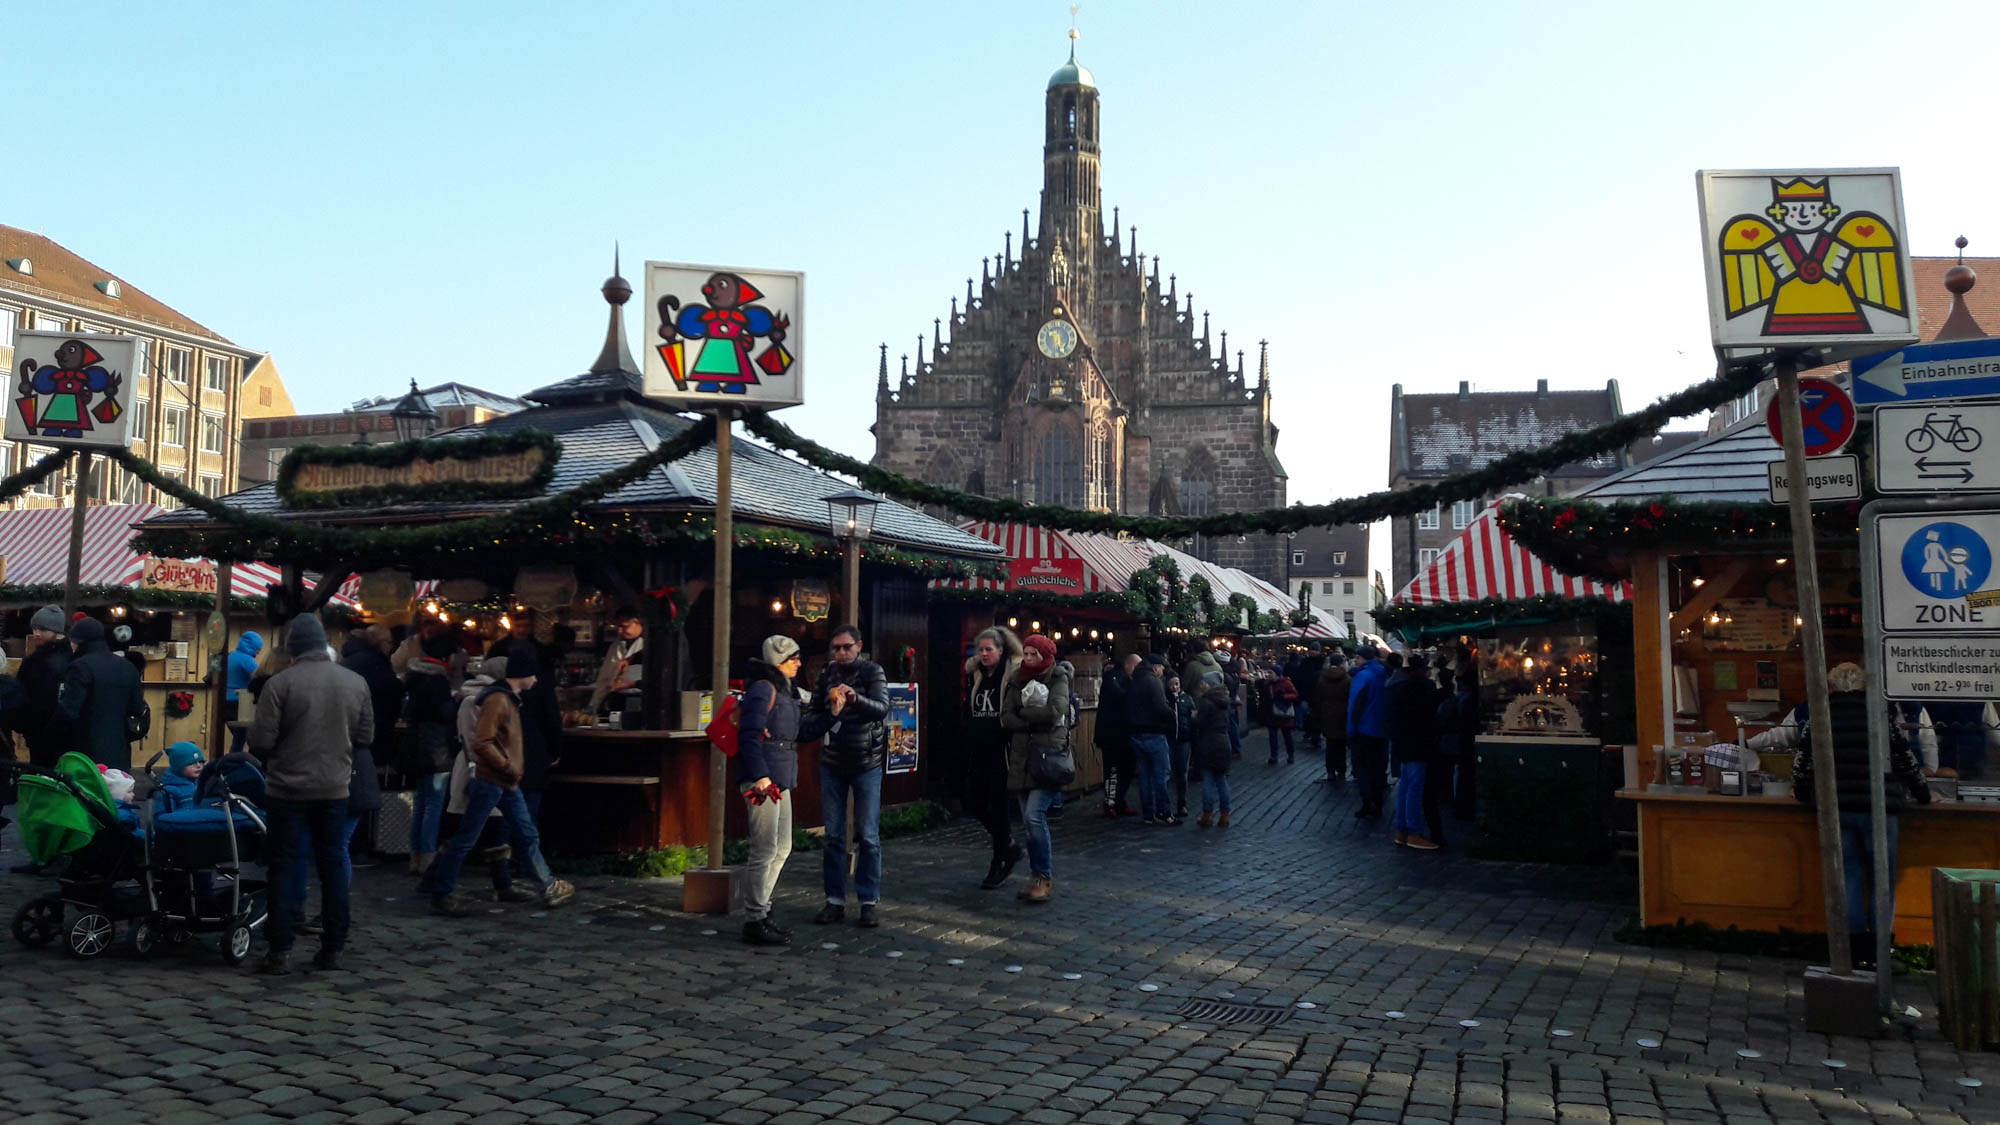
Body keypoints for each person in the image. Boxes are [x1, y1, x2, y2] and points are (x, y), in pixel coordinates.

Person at [249, 613, 373, 975]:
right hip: (334, 787)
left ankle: (280, 948)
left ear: (293, 648)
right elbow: (366, 737)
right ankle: (333, 946)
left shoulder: (280, 684)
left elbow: (261, 741)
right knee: (333, 864)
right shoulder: (355, 682)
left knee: (284, 865)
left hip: (287, 788)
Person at [1794, 661, 1933, 968]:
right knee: (1882, 880)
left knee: (1849, 877)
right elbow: (1906, 761)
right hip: (1880, 809)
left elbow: (1802, 765)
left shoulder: (1819, 717)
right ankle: (1881, 952)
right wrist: (1923, 795)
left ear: (1830, 687)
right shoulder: (1881, 718)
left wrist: (1804, 795)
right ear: (1867, 687)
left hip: (1837, 809)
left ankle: (1857, 952)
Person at [430, 642, 576, 916]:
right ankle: (441, 890)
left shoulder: (505, 698)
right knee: (468, 838)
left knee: (524, 832)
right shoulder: (498, 700)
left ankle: (548, 885)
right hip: (493, 779)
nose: (537, 679)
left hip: (503, 780)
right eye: (534, 673)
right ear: (525, 673)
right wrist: (508, 767)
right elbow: (483, 742)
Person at [799, 624, 891, 928]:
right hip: (832, 761)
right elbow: (813, 712)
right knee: (834, 836)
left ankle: (868, 901)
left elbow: (882, 708)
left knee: (868, 836)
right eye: (836, 648)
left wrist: (856, 700)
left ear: (859, 645)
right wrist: (830, 713)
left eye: (846, 647)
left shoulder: (872, 671)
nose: (841, 653)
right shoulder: (827, 673)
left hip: (866, 761)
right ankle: (834, 901)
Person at [738, 635, 804, 946]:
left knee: (782, 847)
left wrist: (833, 712)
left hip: (780, 776)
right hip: (765, 780)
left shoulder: (785, 691)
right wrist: (760, 775)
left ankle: (761, 908)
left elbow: (799, 733)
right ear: (779, 661)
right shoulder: (764, 688)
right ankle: (755, 917)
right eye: (793, 657)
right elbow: (749, 734)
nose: (798, 663)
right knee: (764, 849)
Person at [998, 633, 1070, 904]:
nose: (1028, 659)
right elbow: (1006, 717)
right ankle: (1036, 877)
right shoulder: (1016, 679)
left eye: (1033, 655)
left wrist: (1023, 715)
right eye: (1025, 654)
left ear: (1044, 655)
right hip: (1021, 758)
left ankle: (1043, 876)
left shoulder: (1058, 676)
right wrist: (1029, 719)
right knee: (1029, 823)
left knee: (1033, 816)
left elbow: (1054, 712)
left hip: (1047, 757)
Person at [965, 626, 1025, 890]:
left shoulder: (1010, 674)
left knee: (999, 808)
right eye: (981, 649)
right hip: (978, 747)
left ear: (1001, 651)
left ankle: (998, 862)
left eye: (989, 649)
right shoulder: (977, 674)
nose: (985, 654)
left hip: (1002, 750)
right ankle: (1010, 846)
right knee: (974, 802)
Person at [58, 618, 148, 772]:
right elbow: (136, 707)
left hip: (85, 749)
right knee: (117, 792)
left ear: (79, 641)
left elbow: (69, 711)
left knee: (88, 792)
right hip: (119, 747)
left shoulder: (79, 667)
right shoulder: (128, 667)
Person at [1385, 653, 1440, 850]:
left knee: (1406, 786)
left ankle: (1402, 830)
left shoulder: (1396, 686)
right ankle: (1413, 832)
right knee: (1414, 787)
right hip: (1418, 743)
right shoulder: (1422, 689)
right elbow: (1428, 717)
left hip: (1403, 743)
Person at [1126, 655, 1177, 825]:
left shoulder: (1134, 680)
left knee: (1145, 776)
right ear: (1156, 667)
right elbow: (1161, 707)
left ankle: (1148, 813)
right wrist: (1171, 714)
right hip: (1154, 733)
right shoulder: (1153, 681)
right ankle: (1163, 811)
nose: (1163, 672)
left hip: (1136, 733)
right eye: (1162, 668)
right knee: (1161, 775)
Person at [1347, 647, 1392, 819]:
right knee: (1377, 768)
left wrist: (1350, 732)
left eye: (1357, 658)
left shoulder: (1362, 677)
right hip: (1380, 729)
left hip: (1363, 730)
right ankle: (1378, 803)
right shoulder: (1384, 675)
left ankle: (1368, 803)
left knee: (1363, 769)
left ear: (1363, 658)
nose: (1356, 661)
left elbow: (1354, 707)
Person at [1096, 654, 1137, 817]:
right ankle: (1112, 802)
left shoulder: (1119, 678)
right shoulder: (1114, 678)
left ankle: (1118, 801)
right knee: (1114, 770)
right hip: (1112, 733)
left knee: (1123, 769)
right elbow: (1119, 697)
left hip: (1119, 733)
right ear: (1130, 665)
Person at [1192, 670, 1234, 827]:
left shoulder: (1206, 702)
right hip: (1223, 742)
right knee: (1222, 780)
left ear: (1209, 685)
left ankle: (1207, 815)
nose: (1201, 684)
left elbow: (1200, 723)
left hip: (1208, 742)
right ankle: (1225, 815)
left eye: (1203, 682)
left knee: (1208, 780)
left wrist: (1192, 717)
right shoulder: (1225, 701)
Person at [1437, 669, 1480, 822]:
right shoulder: (1470, 699)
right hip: (1463, 741)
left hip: (1457, 740)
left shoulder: (1457, 699)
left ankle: (1459, 804)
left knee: (1460, 772)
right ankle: (1463, 806)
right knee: (1464, 773)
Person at [589, 608, 645, 713]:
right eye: (617, 627)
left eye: (624, 626)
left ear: (638, 622)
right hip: (616, 700)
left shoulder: (649, 646)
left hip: (640, 702)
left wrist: (632, 683)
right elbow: (604, 679)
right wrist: (594, 707)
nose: (619, 631)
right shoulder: (615, 646)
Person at [1312, 654, 1352, 784]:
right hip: (1342, 715)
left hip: (1327, 714)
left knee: (1330, 745)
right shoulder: (1347, 679)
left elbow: (1318, 698)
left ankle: (1330, 771)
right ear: (1341, 663)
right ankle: (1341, 771)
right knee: (1341, 745)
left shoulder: (1323, 678)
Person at [223, 631, 263, 754]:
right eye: (257, 649)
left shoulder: (230, 657)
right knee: (241, 739)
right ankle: (234, 765)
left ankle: (232, 762)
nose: (258, 652)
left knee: (238, 738)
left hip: (224, 702)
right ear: (251, 647)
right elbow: (259, 680)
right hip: (240, 704)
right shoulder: (247, 660)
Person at [1170, 674, 1196, 820]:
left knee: (1182, 773)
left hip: (1184, 740)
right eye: (1172, 684)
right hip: (1170, 740)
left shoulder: (1187, 699)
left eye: (1177, 684)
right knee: (1169, 772)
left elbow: (1193, 718)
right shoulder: (1167, 699)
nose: (1174, 687)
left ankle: (1182, 803)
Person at [1262, 668, 1299, 766]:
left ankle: (1290, 755)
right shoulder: (1268, 684)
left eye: (1271, 673)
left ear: (1278, 674)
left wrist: (1284, 696)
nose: (1268, 674)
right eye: (1268, 672)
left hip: (1283, 712)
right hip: (1272, 713)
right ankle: (1274, 756)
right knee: (1272, 736)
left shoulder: (1286, 683)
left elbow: (1295, 694)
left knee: (1287, 736)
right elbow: (1265, 699)